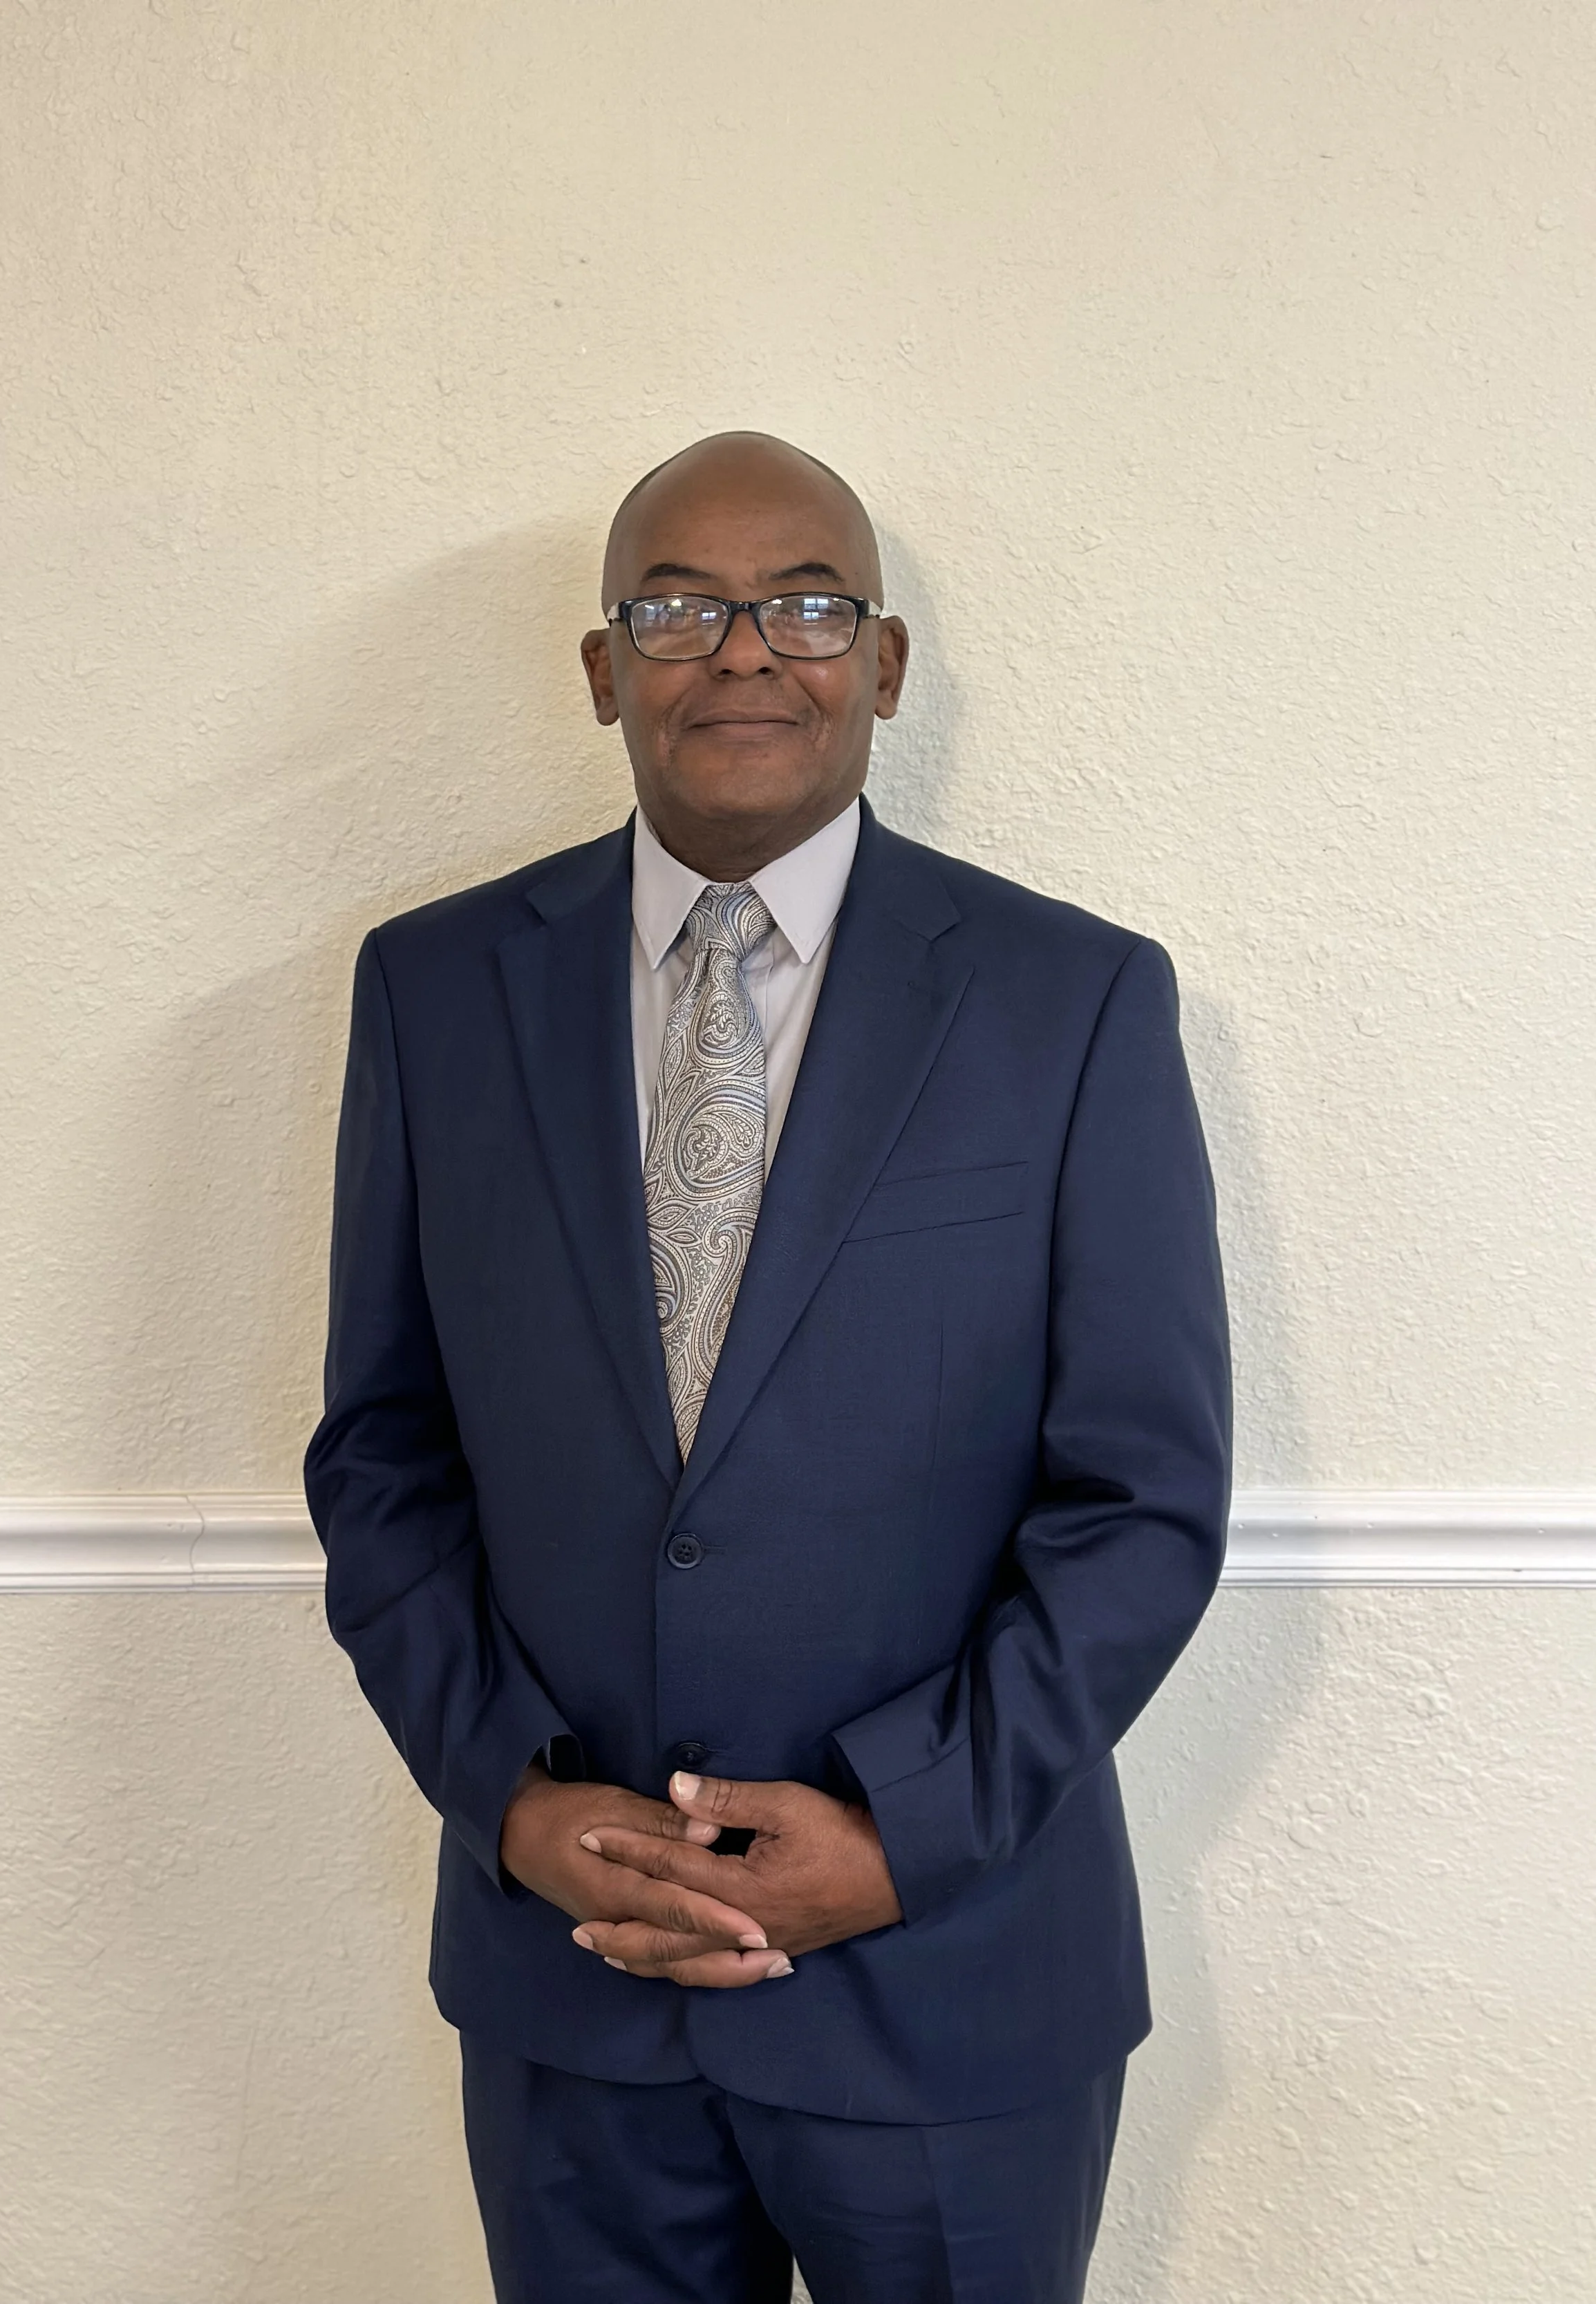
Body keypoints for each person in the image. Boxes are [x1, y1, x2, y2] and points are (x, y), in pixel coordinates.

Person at [303, 432, 1232, 2303]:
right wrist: (514, 1802)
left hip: (950, 1979)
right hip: (577, 1981)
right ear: (602, 670)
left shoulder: (1072, 1001)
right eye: (677, 608)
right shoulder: (435, 989)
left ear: (881, 663)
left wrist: (902, 1835)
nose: (743, 649)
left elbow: (1141, 1499)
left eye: (806, 604)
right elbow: (384, 1452)